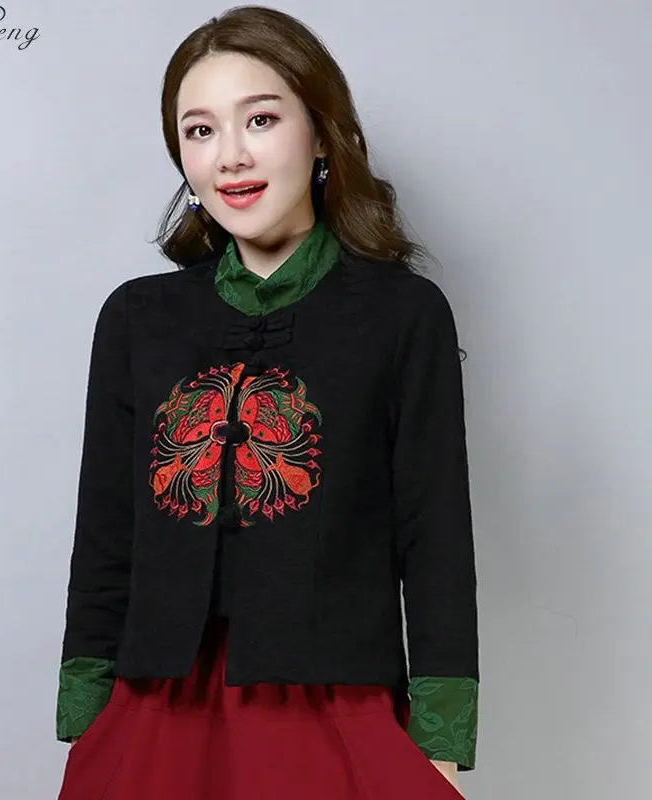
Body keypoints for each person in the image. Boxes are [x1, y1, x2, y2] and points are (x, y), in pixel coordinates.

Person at [54, 5, 479, 799]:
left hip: (334, 704)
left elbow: (436, 538)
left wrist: (441, 736)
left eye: (260, 119)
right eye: (200, 130)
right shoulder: (137, 320)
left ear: (321, 134)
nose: (231, 156)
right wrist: (88, 718)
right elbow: (106, 529)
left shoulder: (402, 316)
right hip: (156, 708)